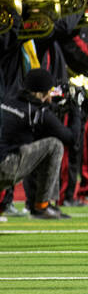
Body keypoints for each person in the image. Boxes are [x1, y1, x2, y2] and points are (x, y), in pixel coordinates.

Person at [0, 69, 75, 219]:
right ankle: (42, 206)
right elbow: (71, 138)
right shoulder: (38, 113)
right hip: (4, 167)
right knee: (54, 145)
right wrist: (76, 109)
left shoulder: (7, 100)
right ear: (42, 93)